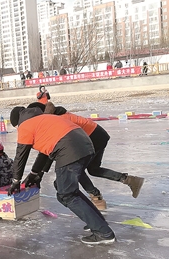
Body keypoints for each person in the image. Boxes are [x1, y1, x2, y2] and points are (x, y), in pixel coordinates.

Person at [8, 105, 115, 245]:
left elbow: (20, 156)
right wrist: (35, 174)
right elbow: (45, 153)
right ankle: (97, 221)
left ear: (17, 123)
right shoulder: (44, 119)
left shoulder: (25, 126)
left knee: (67, 194)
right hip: (86, 145)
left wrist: (16, 181)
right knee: (63, 187)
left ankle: (103, 232)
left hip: (69, 150)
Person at [43, 102, 144, 206]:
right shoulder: (59, 116)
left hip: (93, 137)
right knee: (93, 169)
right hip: (98, 135)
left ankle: (96, 197)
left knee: (77, 169)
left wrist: (38, 173)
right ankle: (130, 180)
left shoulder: (59, 120)